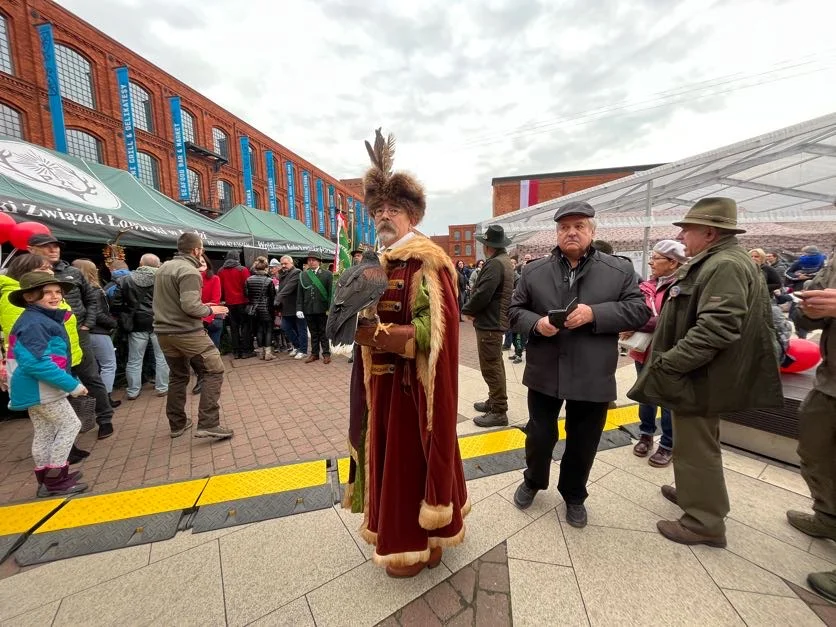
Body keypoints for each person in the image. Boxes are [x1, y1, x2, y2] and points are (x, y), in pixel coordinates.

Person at [344, 128, 468, 578]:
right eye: (378, 208)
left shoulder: (426, 261)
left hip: (413, 389)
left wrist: (377, 336)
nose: (384, 215)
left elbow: (434, 333)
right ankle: (403, 536)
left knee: (410, 463)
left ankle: (420, 541)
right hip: (378, 384)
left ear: (412, 216)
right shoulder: (372, 263)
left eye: (393, 209)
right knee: (384, 459)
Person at [630, 197, 783, 548]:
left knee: (698, 446)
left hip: (701, 375)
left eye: (688, 229)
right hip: (700, 372)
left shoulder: (724, 265)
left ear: (710, 233)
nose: (683, 235)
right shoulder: (719, 260)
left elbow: (717, 328)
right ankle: (694, 496)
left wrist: (670, 363)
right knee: (693, 442)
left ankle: (703, 523)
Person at [509, 201, 650, 527]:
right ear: (556, 232)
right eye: (564, 227)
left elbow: (639, 311)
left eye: (579, 226)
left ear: (592, 231)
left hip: (592, 371)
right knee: (540, 435)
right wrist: (536, 323)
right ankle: (533, 480)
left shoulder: (618, 270)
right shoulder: (534, 271)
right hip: (545, 369)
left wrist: (595, 314)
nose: (571, 232)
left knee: (583, 440)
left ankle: (574, 493)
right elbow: (514, 312)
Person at [0, 254, 90, 465]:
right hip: (42, 388)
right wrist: (73, 385)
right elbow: (36, 362)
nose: (55, 296)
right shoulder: (35, 323)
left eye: (58, 292)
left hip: (36, 386)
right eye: (47, 292)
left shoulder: (36, 318)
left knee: (45, 432)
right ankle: (57, 476)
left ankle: (46, 477)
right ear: (29, 297)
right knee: (69, 426)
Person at [28, 233, 114, 439]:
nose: (53, 250)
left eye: (55, 246)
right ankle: (67, 428)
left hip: (77, 332)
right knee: (57, 381)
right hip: (46, 336)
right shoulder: (27, 275)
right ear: (31, 249)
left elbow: (91, 299)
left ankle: (105, 419)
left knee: (91, 376)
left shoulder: (72, 272)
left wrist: (87, 325)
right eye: (46, 246)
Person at [784, 261, 836, 601]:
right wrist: (810, 310)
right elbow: (801, 314)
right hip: (829, 381)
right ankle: (828, 517)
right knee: (816, 454)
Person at [153, 233, 232, 440]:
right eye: (202, 249)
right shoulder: (189, 271)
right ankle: (209, 423)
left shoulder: (163, 268)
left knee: (178, 376)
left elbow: (175, 303)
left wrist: (203, 307)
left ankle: (177, 424)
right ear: (196, 250)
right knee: (215, 370)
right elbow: (190, 306)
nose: (202, 253)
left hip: (164, 332)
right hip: (186, 332)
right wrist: (213, 311)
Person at [620, 240, 687, 467]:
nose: (650, 262)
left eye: (656, 258)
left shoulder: (684, 287)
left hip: (670, 351)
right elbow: (635, 310)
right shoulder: (647, 285)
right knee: (644, 394)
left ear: (672, 262)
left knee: (667, 399)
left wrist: (638, 324)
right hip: (644, 351)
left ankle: (667, 444)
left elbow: (672, 319)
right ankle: (645, 435)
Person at [463, 224, 515, 427]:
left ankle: (499, 410)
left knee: (491, 367)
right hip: (495, 321)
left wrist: (467, 310)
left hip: (489, 322)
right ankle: (494, 401)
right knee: (495, 364)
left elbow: (483, 293)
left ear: (488, 246)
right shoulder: (504, 261)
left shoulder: (494, 264)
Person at [112, 254, 169, 401]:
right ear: (157, 265)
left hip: (136, 323)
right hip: (159, 321)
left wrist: (125, 315)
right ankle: (162, 387)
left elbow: (116, 304)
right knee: (161, 357)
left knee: (134, 359)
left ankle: (132, 391)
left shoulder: (125, 280)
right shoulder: (163, 278)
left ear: (140, 263)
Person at [71, 259, 120, 409]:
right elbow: (98, 313)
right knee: (108, 364)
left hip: (80, 332)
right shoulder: (94, 289)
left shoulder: (72, 290)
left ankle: (89, 400)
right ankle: (105, 398)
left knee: (85, 368)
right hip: (98, 331)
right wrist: (113, 323)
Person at [217, 250, 255, 359]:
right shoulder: (242, 270)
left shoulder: (221, 271)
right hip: (243, 302)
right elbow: (247, 286)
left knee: (234, 328)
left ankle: (236, 352)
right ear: (237, 257)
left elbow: (220, 289)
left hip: (229, 303)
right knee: (246, 327)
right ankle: (246, 351)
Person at [296, 251, 332, 364]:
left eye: (314, 260)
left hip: (322, 309)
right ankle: (314, 354)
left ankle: (326, 354)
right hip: (308, 308)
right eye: (309, 260)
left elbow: (331, 293)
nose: (311, 262)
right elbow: (300, 293)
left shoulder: (327, 274)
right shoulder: (303, 275)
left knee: (324, 332)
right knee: (313, 332)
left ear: (319, 262)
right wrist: (299, 308)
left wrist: (330, 308)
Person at [245, 256, 277, 360]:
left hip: (254, 310)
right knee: (268, 330)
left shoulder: (248, 280)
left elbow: (246, 294)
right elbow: (272, 297)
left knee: (258, 330)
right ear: (266, 268)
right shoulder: (269, 280)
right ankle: (268, 353)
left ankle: (261, 353)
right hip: (266, 309)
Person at [276, 256, 308, 360]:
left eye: (286, 263)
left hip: (297, 306)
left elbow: (288, 287)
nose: (283, 266)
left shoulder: (297, 272)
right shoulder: (282, 274)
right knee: (286, 327)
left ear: (292, 263)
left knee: (301, 329)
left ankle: (303, 350)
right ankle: (298, 346)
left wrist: (277, 299)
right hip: (286, 307)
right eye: (282, 264)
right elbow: (281, 288)